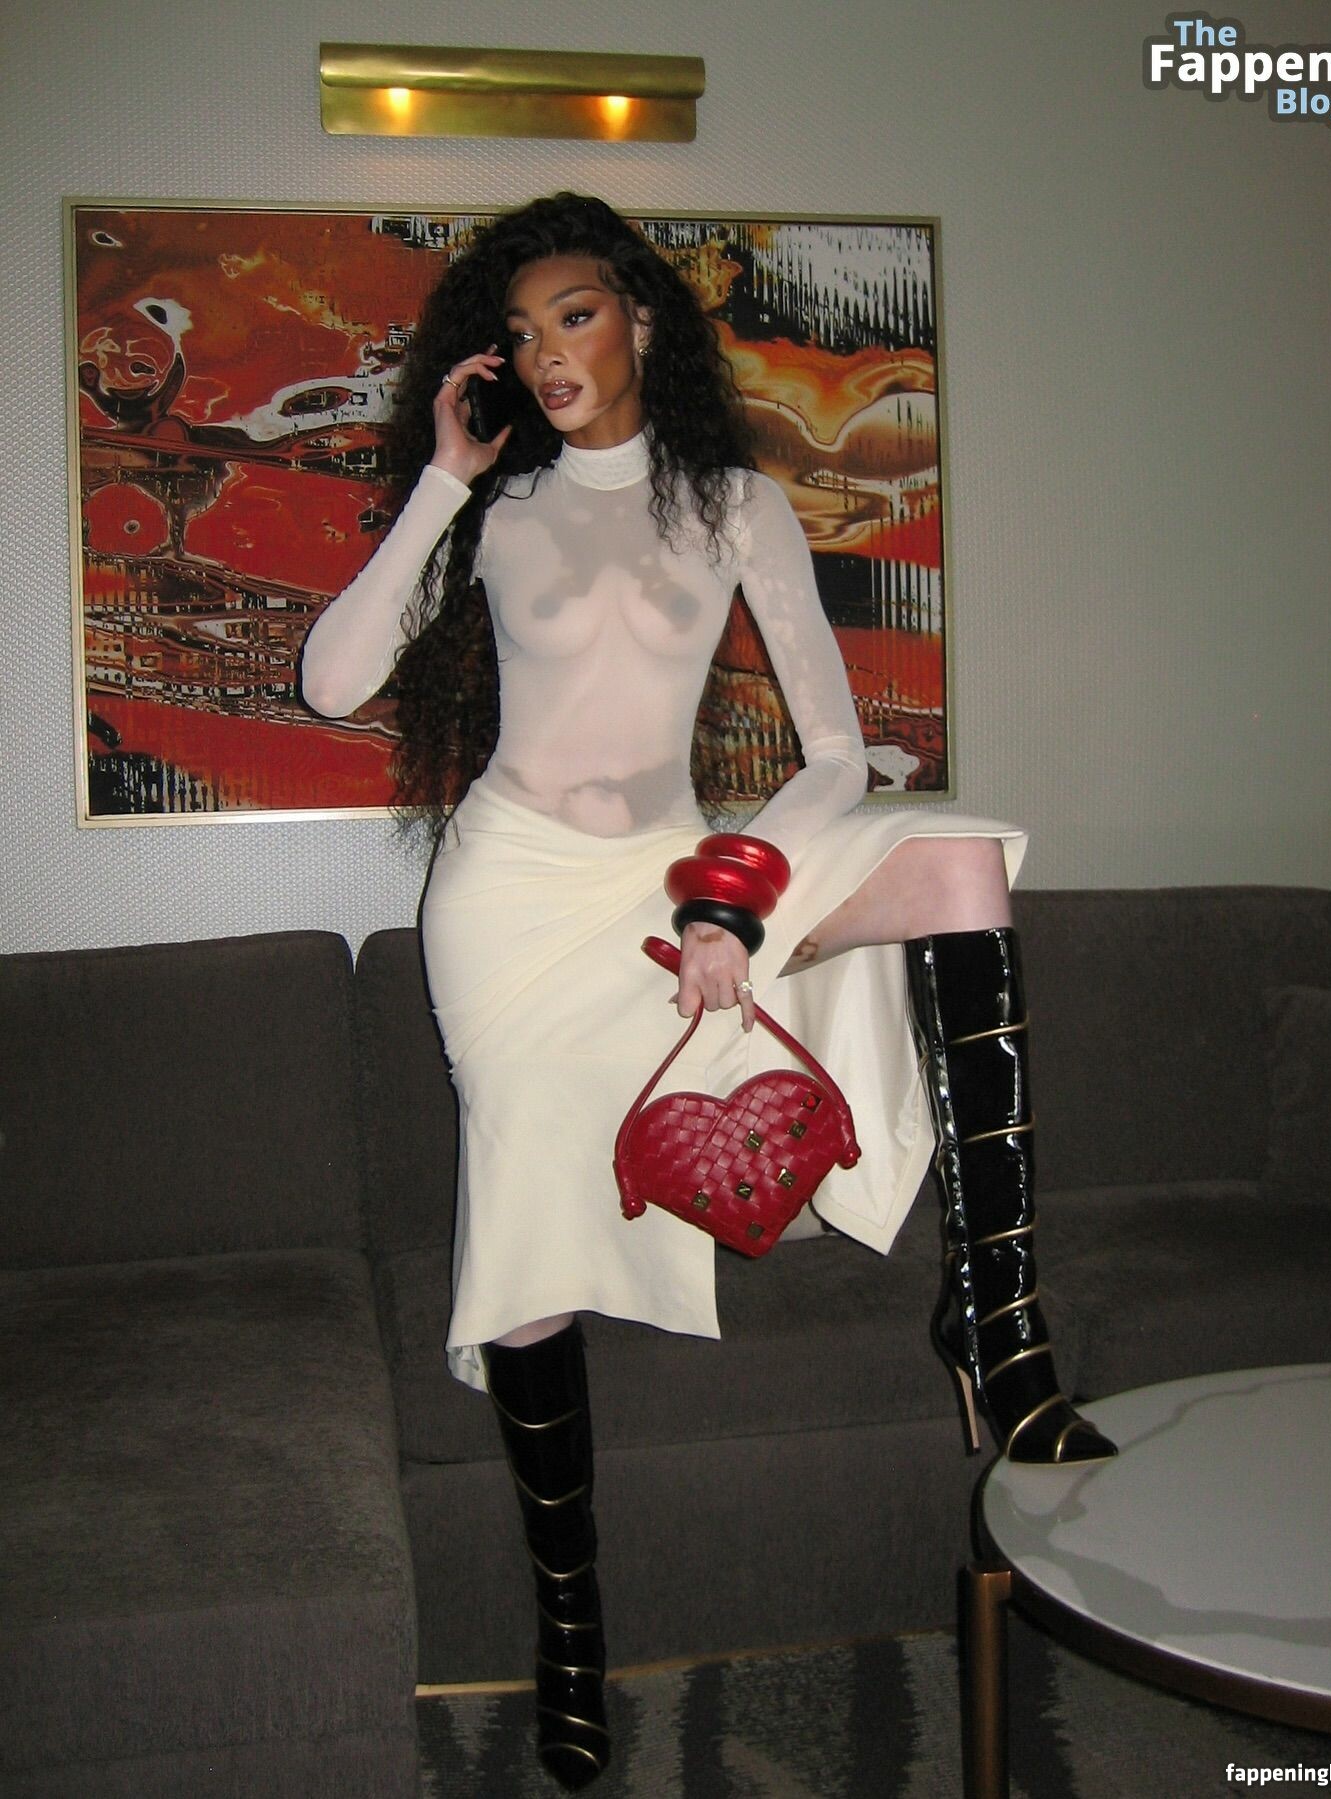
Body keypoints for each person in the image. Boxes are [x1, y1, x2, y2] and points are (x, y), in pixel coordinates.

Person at [301, 192, 1115, 1791]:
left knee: (958, 859)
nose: (549, 353)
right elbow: (334, 683)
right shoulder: (495, 506)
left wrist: (722, 900)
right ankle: (570, 1636)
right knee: (527, 1249)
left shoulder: (736, 500)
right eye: (522, 331)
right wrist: (441, 481)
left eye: (575, 316)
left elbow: (833, 753)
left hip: (680, 874)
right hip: (514, 901)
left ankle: (999, 1322)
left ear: (642, 322)